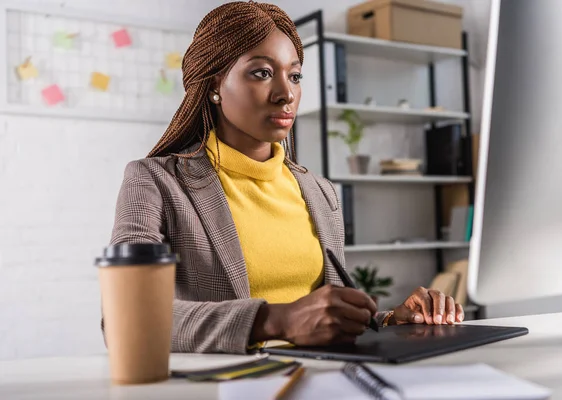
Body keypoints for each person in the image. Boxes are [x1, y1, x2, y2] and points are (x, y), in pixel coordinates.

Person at [108, 1, 464, 354]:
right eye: (262, 73)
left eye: (294, 75)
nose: (287, 93)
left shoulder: (319, 192)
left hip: (322, 381)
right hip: (226, 388)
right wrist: (275, 321)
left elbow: (319, 318)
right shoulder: (154, 182)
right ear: (215, 83)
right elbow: (126, 318)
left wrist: (390, 321)